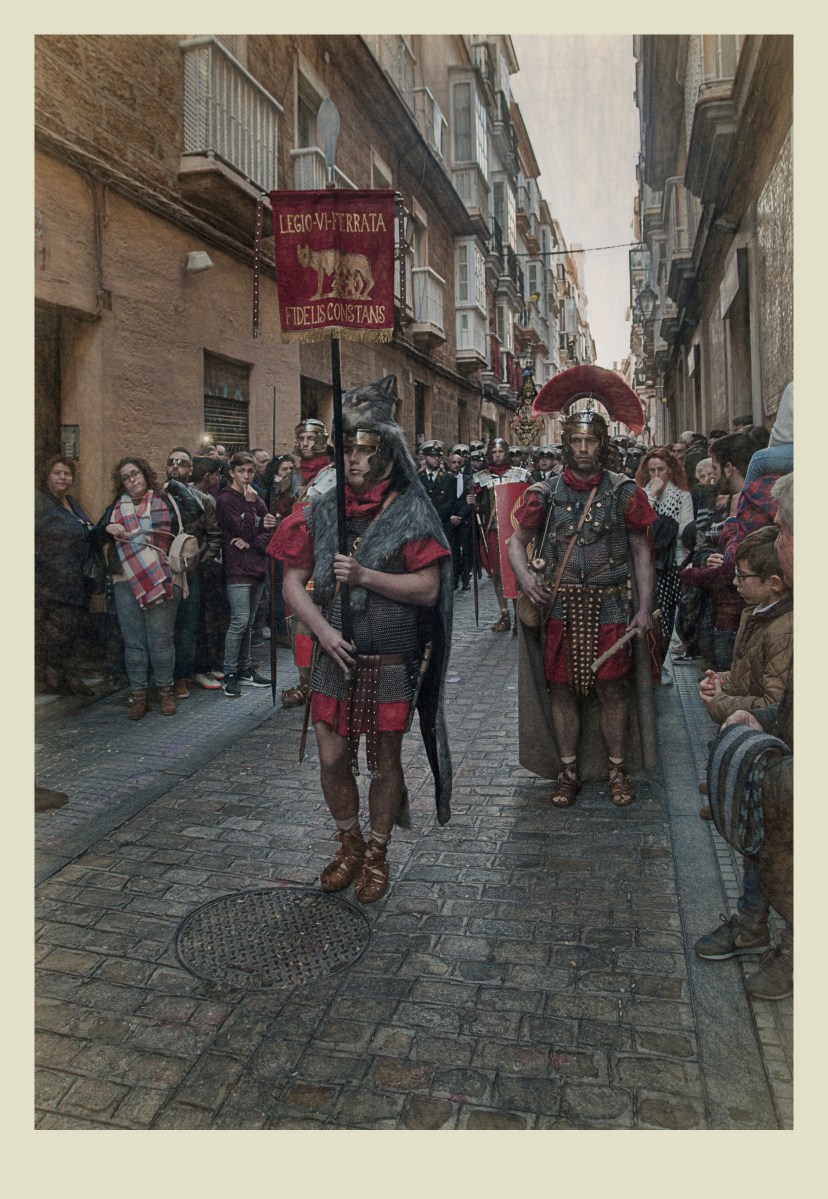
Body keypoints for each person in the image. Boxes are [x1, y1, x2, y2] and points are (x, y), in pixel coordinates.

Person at [269, 375, 453, 904]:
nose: (352, 459)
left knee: (385, 761)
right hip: (335, 654)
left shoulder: (411, 511)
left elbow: (428, 588)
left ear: (387, 454)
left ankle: (377, 851)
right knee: (332, 757)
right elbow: (292, 582)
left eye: (364, 450)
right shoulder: (323, 509)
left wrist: (367, 576)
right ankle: (348, 840)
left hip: (390, 656)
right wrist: (324, 632)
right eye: (347, 449)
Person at [508, 404, 656, 808]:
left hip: (611, 604)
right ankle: (568, 771)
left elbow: (642, 552)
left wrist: (644, 607)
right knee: (561, 691)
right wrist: (526, 579)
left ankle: (617, 771)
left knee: (613, 689)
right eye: (577, 440)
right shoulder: (545, 493)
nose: (584, 448)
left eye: (591, 440)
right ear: (567, 444)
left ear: (602, 444)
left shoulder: (624, 492)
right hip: (561, 607)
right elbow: (516, 543)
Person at [694, 474, 793, 1000]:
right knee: (760, 844)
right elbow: (758, 680)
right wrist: (727, 683)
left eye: (785, 531)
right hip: (768, 758)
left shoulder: (789, 625)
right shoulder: (762, 614)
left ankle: (791, 948)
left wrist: (724, 704)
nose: (736, 581)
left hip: (781, 756)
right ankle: (752, 923)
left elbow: (776, 700)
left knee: (782, 855)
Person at [92, 456, 201, 719]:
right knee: (134, 643)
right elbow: (94, 536)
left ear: (145, 474)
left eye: (135, 473)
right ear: (122, 483)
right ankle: (138, 695)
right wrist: (108, 527)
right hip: (125, 580)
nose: (132, 480)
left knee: (161, 640)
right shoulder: (116, 507)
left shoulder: (165, 499)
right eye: (126, 478)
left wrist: (175, 483)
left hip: (162, 577)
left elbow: (196, 510)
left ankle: (165, 692)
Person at [697, 526, 792, 725]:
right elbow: (752, 675)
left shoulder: (784, 632)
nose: (735, 581)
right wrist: (722, 681)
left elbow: (774, 707)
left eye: (742, 575)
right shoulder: (756, 614)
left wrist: (720, 702)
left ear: (774, 583)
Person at [282, 419, 335, 707]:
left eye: (311, 438)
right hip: (295, 555)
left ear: (322, 440)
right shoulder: (290, 476)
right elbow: (280, 512)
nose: (305, 443)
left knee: (319, 614)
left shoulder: (333, 475)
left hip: (321, 555)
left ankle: (322, 678)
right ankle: (305, 679)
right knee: (296, 617)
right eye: (301, 438)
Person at [164, 447, 222, 698]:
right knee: (164, 627)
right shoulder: (158, 495)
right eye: (171, 462)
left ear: (190, 469)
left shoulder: (202, 500)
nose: (175, 466)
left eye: (182, 463)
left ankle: (182, 678)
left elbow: (214, 537)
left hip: (191, 571)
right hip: (164, 569)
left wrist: (197, 560)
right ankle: (164, 680)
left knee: (188, 627)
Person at [215, 452, 275, 696]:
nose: (247, 476)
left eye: (250, 471)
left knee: (249, 622)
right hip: (237, 568)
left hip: (257, 566)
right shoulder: (225, 499)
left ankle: (245, 669)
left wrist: (251, 544)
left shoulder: (257, 499)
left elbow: (268, 531)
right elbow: (239, 528)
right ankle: (229, 673)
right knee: (239, 620)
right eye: (241, 471)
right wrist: (250, 509)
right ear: (232, 472)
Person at [35, 456, 95, 695]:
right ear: (47, 477)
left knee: (73, 631)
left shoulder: (72, 502)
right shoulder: (39, 503)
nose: (63, 477)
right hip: (52, 583)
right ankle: (54, 680)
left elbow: (87, 530)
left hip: (77, 581)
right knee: (56, 634)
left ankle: (71, 678)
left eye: (67, 474)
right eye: (57, 473)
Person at [636, 447, 694, 666]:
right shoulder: (641, 494)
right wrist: (651, 495)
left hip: (670, 565)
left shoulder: (682, 496)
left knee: (665, 617)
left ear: (670, 470)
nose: (656, 474)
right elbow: (640, 524)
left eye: (660, 469)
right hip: (645, 562)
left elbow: (685, 531)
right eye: (652, 470)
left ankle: (658, 664)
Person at [468, 437, 530, 633]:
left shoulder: (521, 475)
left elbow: (532, 499)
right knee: (497, 574)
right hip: (492, 531)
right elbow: (475, 505)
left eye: (500, 451)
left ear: (506, 452)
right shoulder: (481, 478)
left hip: (515, 531)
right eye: (494, 452)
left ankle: (519, 616)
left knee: (516, 572)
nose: (497, 455)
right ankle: (505, 615)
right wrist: (471, 501)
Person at [188, 457, 226, 689]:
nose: (219, 479)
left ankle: (205, 666)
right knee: (204, 619)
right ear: (207, 476)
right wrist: (206, 558)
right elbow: (213, 534)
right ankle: (201, 668)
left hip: (198, 562)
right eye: (216, 474)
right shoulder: (204, 499)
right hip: (200, 564)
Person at [445, 449, 471, 590]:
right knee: (453, 551)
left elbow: (469, 500)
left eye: (458, 462)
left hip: (464, 520)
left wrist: (461, 516)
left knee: (466, 552)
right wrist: (450, 517)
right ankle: (454, 580)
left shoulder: (467, 479)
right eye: (453, 462)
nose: (456, 465)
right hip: (449, 520)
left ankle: (466, 580)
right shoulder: (443, 479)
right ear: (448, 463)